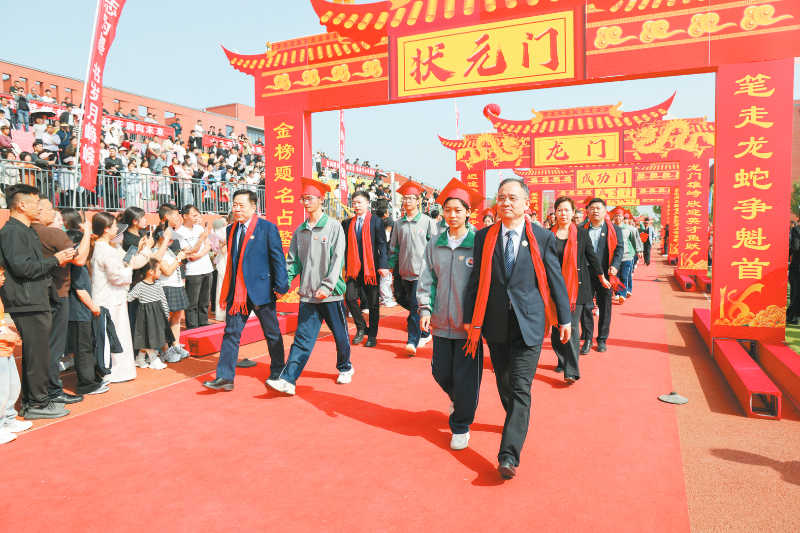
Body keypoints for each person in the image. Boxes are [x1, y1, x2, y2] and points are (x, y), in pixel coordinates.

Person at [463, 178, 572, 480]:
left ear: (526, 203)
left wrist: (564, 319)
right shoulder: (484, 237)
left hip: (529, 323)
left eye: (512, 197)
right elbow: (476, 280)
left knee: (520, 387)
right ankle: (517, 419)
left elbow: (554, 280)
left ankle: (508, 455)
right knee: (505, 384)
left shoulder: (543, 237)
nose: (506, 203)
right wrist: (470, 317)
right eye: (501, 198)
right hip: (495, 323)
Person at [265, 178, 351, 396]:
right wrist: (283, 284)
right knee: (302, 339)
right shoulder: (300, 230)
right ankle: (288, 380)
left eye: (309, 198)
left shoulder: (334, 227)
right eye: (303, 199)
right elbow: (293, 262)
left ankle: (345, 367)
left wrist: (328, 286)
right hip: (308, 295)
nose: (305, 202)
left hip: (330, 295)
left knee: (340, 335)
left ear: (321, 200)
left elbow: (338, 260)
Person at [417, 179, 484, 451]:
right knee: (441, 372)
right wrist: (425, 308)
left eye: (458, 210)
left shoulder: (479, 243)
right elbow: (427, 279)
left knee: (466, 378)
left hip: (469, 326)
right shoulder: (435, 243)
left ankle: (461, 426)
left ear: (468, 212)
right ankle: (461, 401)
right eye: (448, 210)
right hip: (441, 323)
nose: (452, 215)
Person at [0, 184, 76, 420]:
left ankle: (36, 401)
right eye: (36, 204)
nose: (40, 208)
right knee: (37, 355)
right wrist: (55, 259)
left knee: (39, 354)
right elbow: (23, 268)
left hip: (35, 299)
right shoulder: (13, 232)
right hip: (26, 301)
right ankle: (36, 404)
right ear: (22, 205)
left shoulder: (25, 230)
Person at [202, 190, 288, 391]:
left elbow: (278, 259)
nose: (237, 209)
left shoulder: (267, 228)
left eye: (242, 205)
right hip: (237, 292)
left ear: (253, 207)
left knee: (272, 332)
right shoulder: (231, 229)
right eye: (235, 205)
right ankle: (225, 377)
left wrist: (281, 285)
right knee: (231, 332)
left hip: (262, 290)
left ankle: (278, 370)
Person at [32, 199, 92, 405]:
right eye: (53, 212)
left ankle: (39, 392)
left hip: (37, 294)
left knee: (40, 347)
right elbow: (80, 259)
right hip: (57, 294)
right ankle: (52, 391)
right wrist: (87, 233)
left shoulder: (27, 232)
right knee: (54, 347)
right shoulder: (53, 234)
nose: (58, 218)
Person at [550, 197, 611, 383]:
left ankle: (571, 370)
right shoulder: (547, 234)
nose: (563, 213)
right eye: (560, 210)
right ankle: (562, 360)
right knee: (556, 326)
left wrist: (601, 276)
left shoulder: (581, 234)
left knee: (572, 326)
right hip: (553, 286)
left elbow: (592, 257)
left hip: (576, 286)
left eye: (567, 210)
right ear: (555, 213)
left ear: (573, 212)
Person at [89, 212, 153, 383]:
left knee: (113, 335)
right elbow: (116, 277)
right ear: (106, 229)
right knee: (116, 335)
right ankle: (115, 372)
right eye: (114, 226)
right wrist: (129, 268)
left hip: (108, 297)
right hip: (111, 300)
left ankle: (113, 371)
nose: (117, 229)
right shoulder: (107, 250)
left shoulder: (101, 248)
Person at [387, 180, 440, 356]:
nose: (407, 201)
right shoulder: (398, 224)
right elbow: (394, 248)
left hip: (422, 273)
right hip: (404, 272)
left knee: (415, 305)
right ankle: (425, 332)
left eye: (411, 198)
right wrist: (389, 266)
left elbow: (435, 246)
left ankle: (412, 341)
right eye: (405, 198)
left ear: (418, 201)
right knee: (404, 299)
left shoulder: (427, 222)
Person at [342, 191, 390, 348]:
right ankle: (362, 327)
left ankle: (373, 334)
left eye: (359, 202)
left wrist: (383, 265)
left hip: (372, 269)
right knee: (350, 298)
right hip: (353, 269)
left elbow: (382, 244)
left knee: (373, 303)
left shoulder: (376, 221)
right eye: (354, 203)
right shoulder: (349, 223)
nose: (356, 205)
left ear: (367, 203)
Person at [66, 229, 108, 396]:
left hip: (82, 312)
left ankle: (92, 378)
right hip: (79, 312)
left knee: (87, 346)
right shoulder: (76, 265)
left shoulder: (79, 263)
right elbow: (80, 291)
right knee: (83, 349)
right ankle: (86, 384)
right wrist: (94, 308)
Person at [579, 199, 623, 354]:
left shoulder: (615, 229)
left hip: (606, 273)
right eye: (592, 208)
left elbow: (619, 249)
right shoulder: (581, 229)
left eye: (598, 208)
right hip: (586, 273)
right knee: (586, 306)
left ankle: (602, 339)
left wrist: (615, 266)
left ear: (605, 211)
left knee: (605, 306)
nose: (595, 211)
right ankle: (587, 339)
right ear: (587, 211)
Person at [0, 260, 28, 443]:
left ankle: (9, 420)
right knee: (2, 390)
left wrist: (9, 333)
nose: (3, 278)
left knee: (12, 386)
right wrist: (5, 336)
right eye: (0, 275)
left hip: (6, 349)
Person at [128, 259, 172, 370]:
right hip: (145, 316)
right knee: (149, 337)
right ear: (151, 271)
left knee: (152, 336)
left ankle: (140, 358)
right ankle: (154, 360)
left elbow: (163, 299)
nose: (160, 271)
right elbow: (129, 297)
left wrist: (166, 313)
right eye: (159, 269)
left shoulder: (158, 284)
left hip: (157, 314)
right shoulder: (140, 286)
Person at [174, 205, 213, 330]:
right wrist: (200, 241)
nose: (197, 218)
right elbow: (189, 252)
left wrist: (199, 254)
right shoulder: (179, 233)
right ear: (185, 216)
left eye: (197, 215)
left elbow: (208, 246)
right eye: (194, 215)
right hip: (193, 271)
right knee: (192, 302)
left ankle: (203, 323)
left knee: (205, 301)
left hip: (207, 268)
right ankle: (192, 327)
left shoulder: (199, 228)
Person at [611, 208, 640, 304]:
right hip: (614, 257)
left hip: (626, 256)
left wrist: (638, 251)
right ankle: (617, 293)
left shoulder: (629, 228)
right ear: (613, 217)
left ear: (623, 217)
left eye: (619, 216)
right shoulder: (610, 228)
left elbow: (634, 241)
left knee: (624, 276)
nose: (618, 218)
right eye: (616, 216)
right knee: (615, 276)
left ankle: (622, 294)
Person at [788, 212, 800, 325]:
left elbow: (795, 247)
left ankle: (794, 316)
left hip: (797, 266)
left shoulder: (796, 230)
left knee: (795, 291)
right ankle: (794, 315)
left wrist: (785, 255)